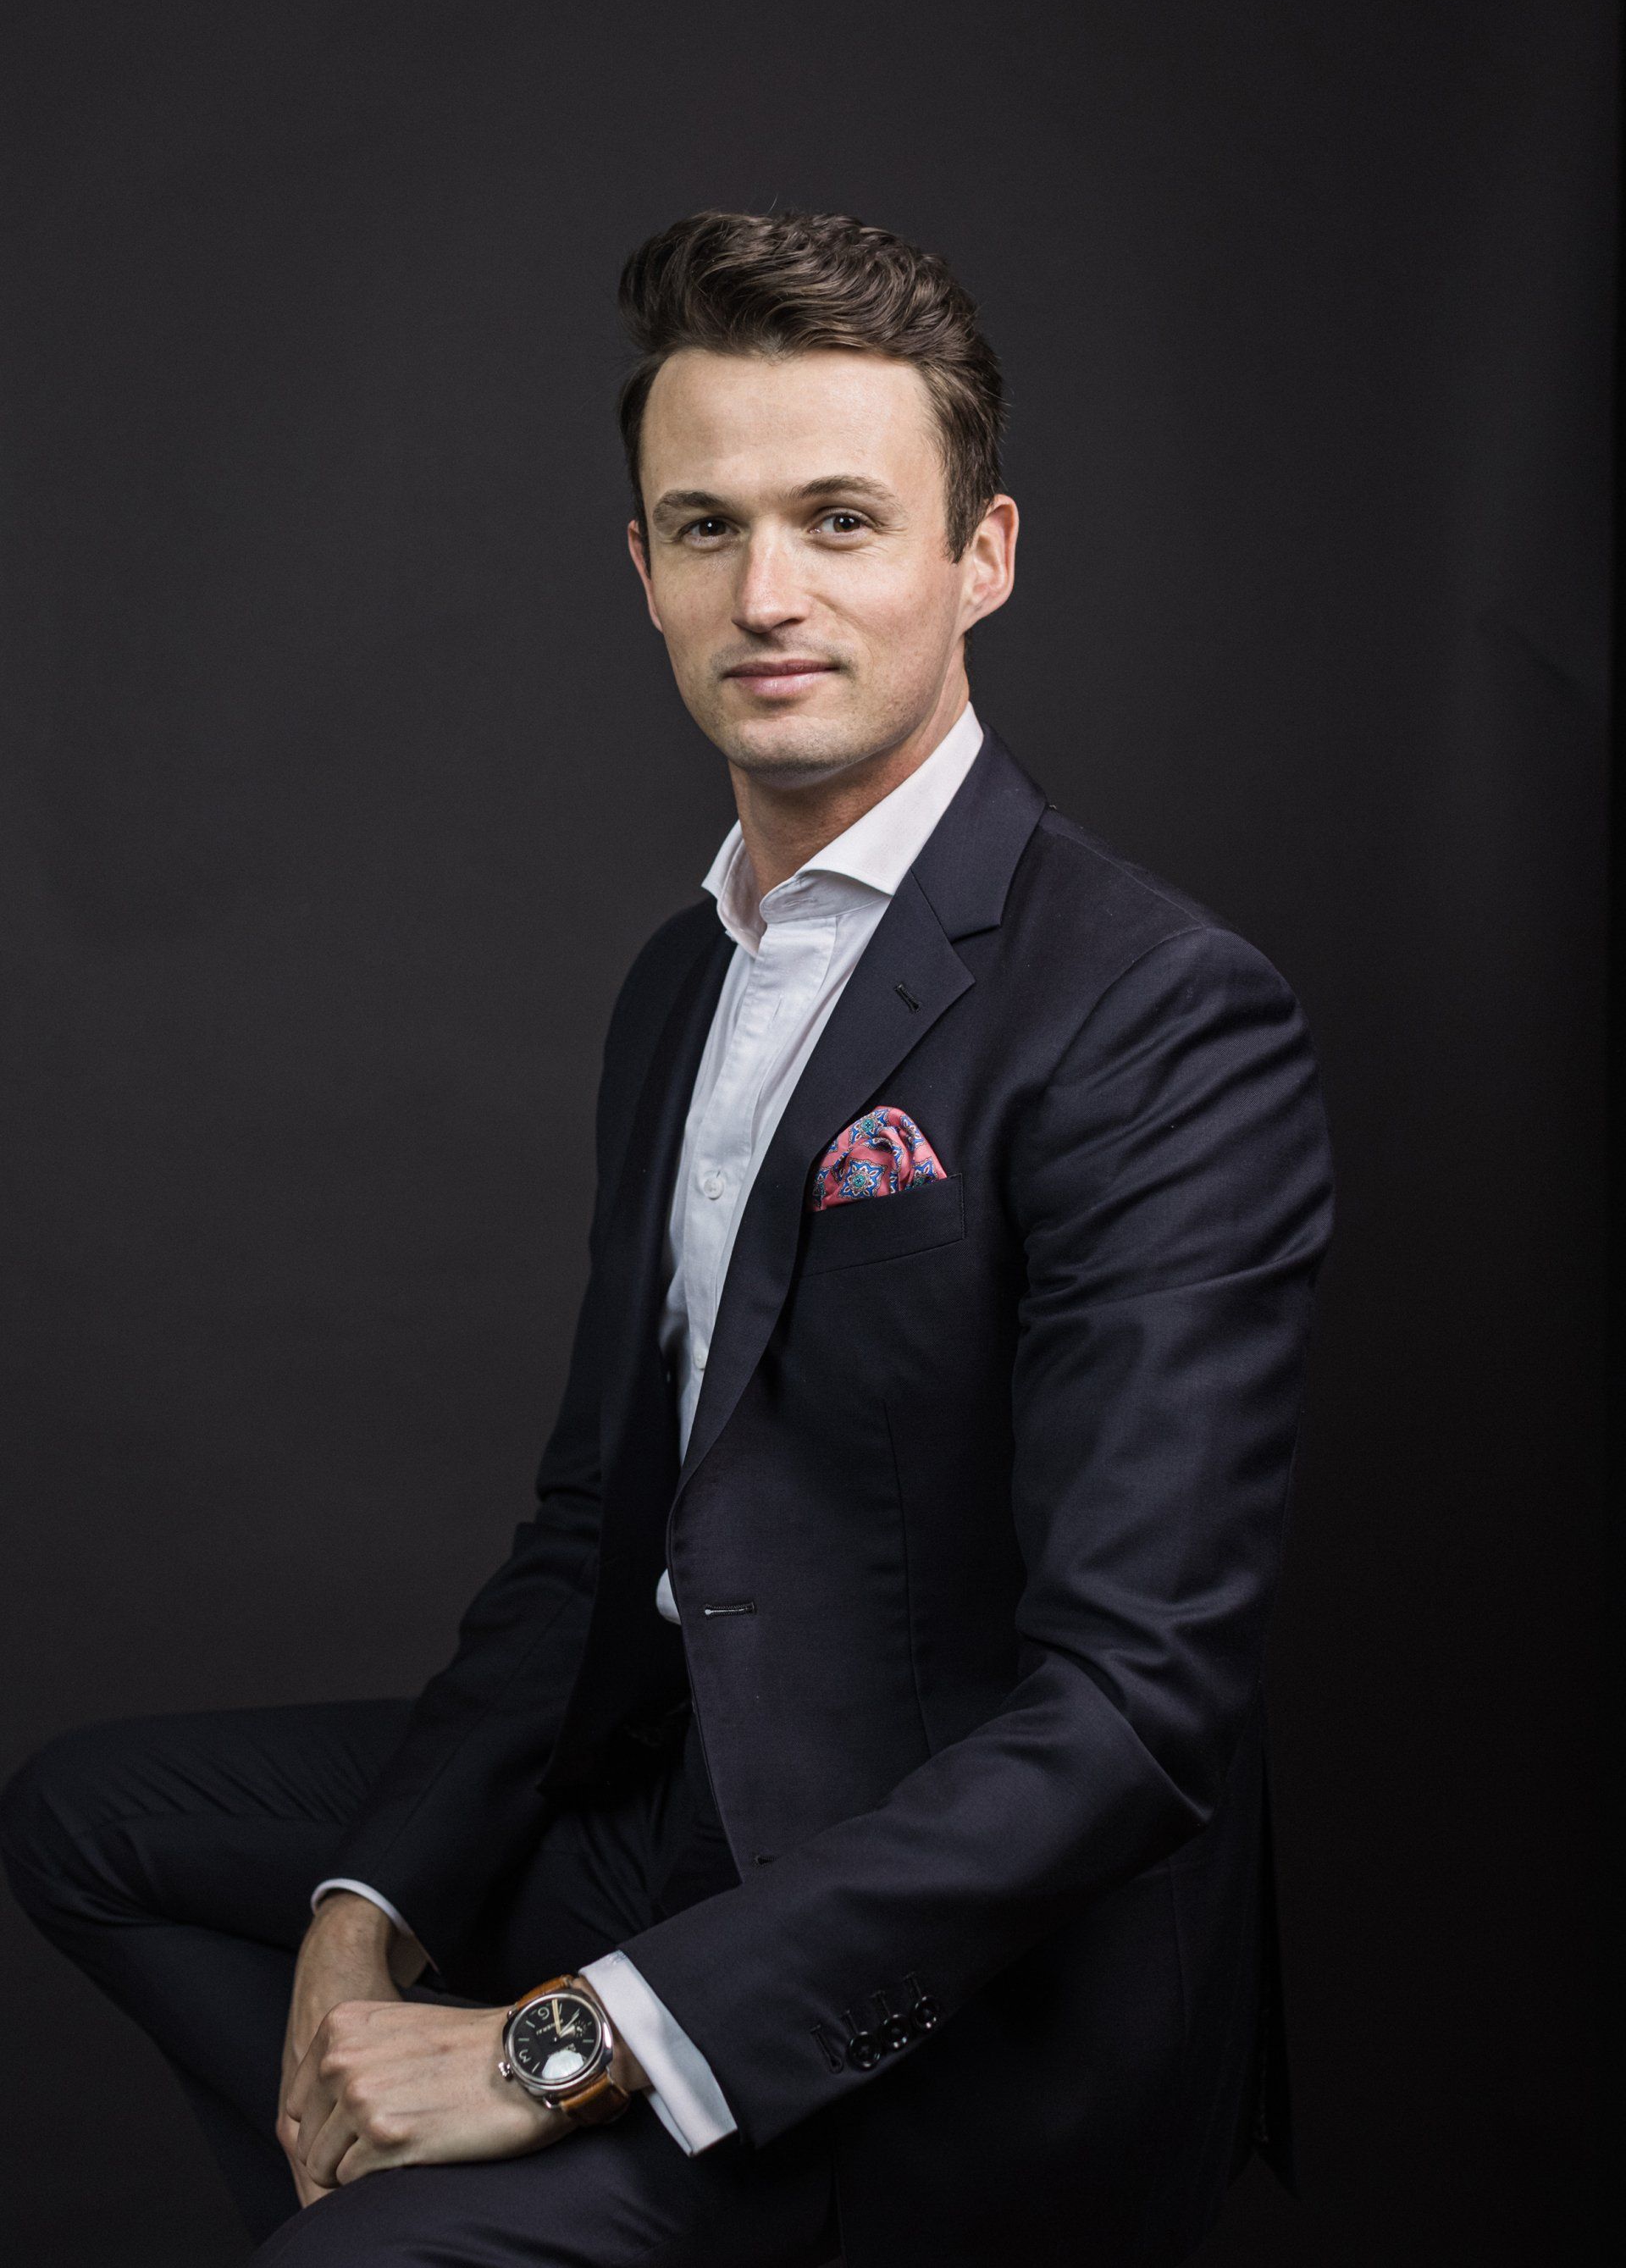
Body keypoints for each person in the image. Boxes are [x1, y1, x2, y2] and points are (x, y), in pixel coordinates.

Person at [1, 208, 1334, 2268]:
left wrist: (554, 2048)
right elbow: (588, 1534)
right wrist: (367, 1931)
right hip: (670, 1813)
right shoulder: (676, 982)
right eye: (704, 528)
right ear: (639, 571)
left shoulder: (1158, 1010)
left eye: (838, 520)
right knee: (89, 1823)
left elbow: (1137, 1715)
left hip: (941, 1978)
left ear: (980, 556)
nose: (768, 593)